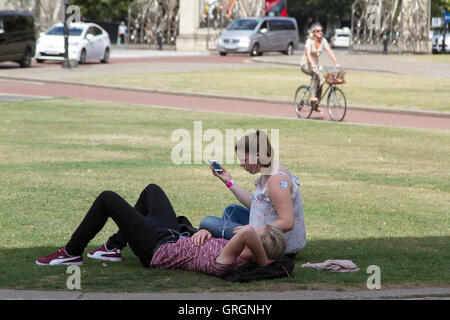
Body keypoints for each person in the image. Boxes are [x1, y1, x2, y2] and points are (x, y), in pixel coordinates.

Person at [36, 184, 287, 277]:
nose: (250, 230)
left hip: (156, 249)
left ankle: (72, 252)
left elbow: (247, 234)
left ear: (257, 249)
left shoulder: (231, 262)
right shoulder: (237, 250)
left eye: (257, 236)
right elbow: (245, 237)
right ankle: (113, 247)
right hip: (173, 235)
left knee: (107, 198)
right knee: (152, 191)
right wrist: (203, 233)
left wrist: (264, 262)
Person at [199, 130, 306, 260]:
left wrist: (256, 230)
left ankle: (234, 245)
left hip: (277, 246)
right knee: (232, 210)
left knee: (207, 222)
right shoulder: (269, 170)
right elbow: (256, 205)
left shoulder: (277, 182)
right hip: (266, 232)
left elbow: (288, 222)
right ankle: (236, 244)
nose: (241, 164)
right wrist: (229, 181)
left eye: (244, 159)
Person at [300, 22, 340, 112]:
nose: (320, 32)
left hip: (315, 66)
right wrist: (312, 64)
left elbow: (329, 52)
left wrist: (336, 63)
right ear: (314, 32)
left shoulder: (323, 41)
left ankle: (315, 105)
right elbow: (308, 54)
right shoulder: (309, 41)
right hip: (306, 64)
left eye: (321, 30)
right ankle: (312, 96)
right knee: (317, 75)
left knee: (321, 82)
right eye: (318, 31)